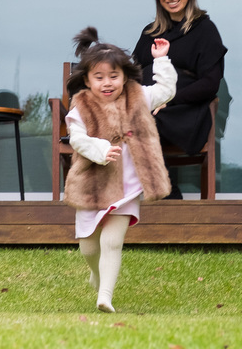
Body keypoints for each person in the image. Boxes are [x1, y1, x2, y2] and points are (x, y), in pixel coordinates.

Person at [62, 26, 176, 313]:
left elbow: (166, 91)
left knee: (112, 242)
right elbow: (77, 139)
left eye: (114, 76)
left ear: (124, 76)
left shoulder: (138, 96)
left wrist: (161, 60)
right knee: (89, 248)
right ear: (87, 80)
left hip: (128, 186)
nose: (107, 83)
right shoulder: (80, 107)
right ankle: (97, 275)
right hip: (92, 184)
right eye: (99, 77)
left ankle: (105, 296)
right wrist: (100, 149)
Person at [131, 0, 227, 198]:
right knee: (121, 121)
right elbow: (131, 74)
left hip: (184, 109)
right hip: (149, 106)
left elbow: (210, 83)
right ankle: (112, 197)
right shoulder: (150, 32)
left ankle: (167, 193)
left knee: (144, 121)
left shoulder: (205, 30)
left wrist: (169, 100)